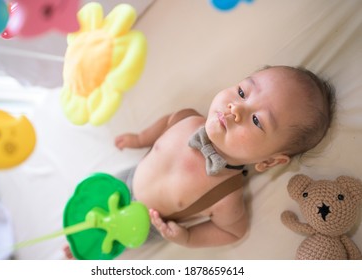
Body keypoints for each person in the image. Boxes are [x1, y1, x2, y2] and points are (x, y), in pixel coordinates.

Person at [113, 65, 335, 248]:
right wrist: (140, 139)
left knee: (94, 249)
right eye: (242, 92)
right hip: (126, 178)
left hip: (143, 223)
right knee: (84, 199)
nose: (236, 108)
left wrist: (188, 237)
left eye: (257, 121)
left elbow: (233, 232)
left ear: (270, 161)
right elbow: (166, 122)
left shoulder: (225, 196)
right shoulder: (187, 118)